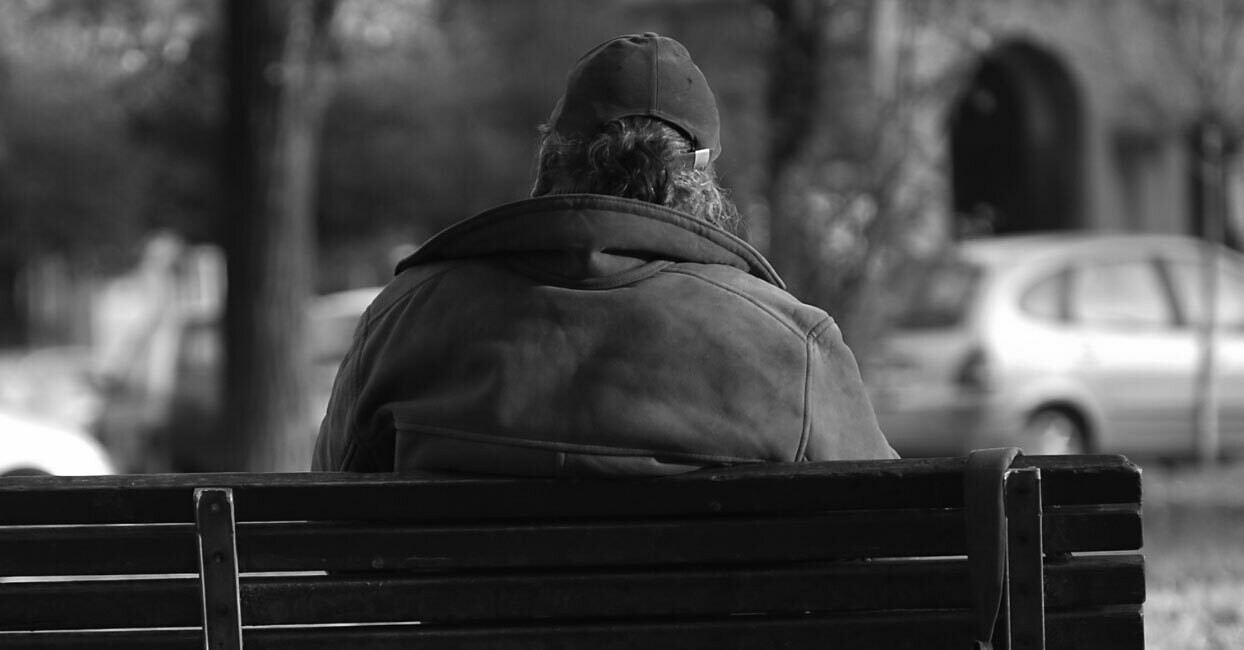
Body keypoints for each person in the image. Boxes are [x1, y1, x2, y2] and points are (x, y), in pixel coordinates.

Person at [312, 33, 896, 476]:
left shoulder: (405, 321)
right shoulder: (792, 349)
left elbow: (329, 518)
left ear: (553, 159)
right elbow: (887, 536)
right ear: (701, 181)